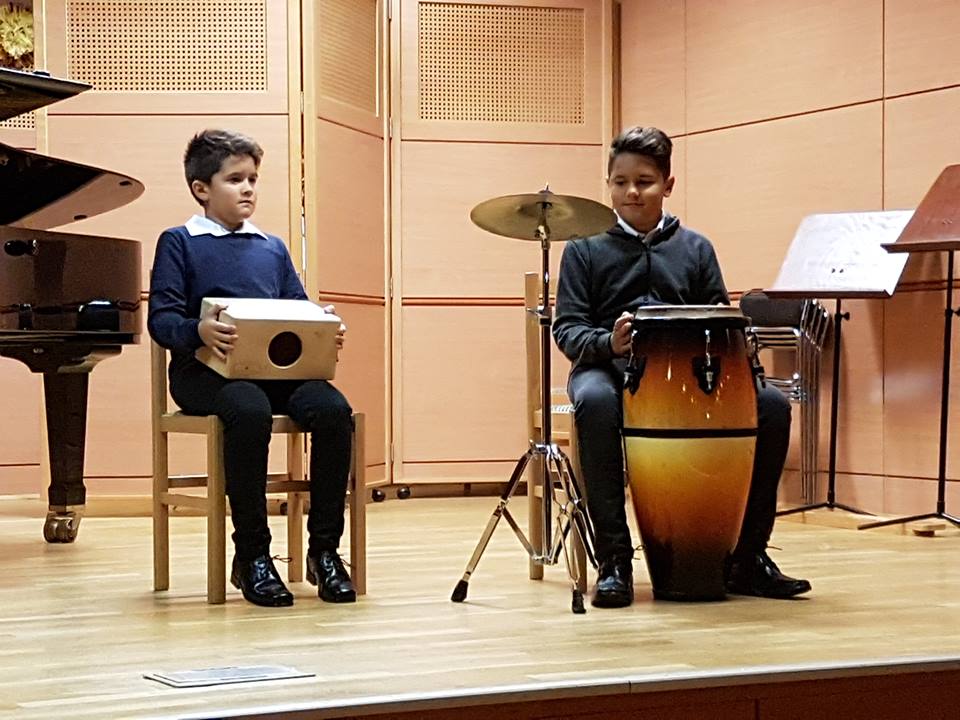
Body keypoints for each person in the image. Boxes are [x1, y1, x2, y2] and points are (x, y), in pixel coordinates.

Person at [553, 126, 811, 608]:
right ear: (608, 184)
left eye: (644, 181)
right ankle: (614, 561)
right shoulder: (583, 248)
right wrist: (608, 342)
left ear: (668, 185)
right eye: (620, 182)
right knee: (594, 402)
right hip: (610, 368)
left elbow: (719, 320)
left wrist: (745, 366)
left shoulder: (696, 248)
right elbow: (568, 329)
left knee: (772, 407)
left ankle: (747, 558)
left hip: (687, 376)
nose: (631, 192)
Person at [148, 129, 356, 608]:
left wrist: (323, 327)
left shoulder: (271, 247)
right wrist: (198, 331)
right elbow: (162, 320)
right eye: (235, 179)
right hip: (203, 375)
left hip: (274, 374)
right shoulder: (180, 242)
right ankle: (252, 555)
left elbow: (298, 312)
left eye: (253, 179)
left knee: (332, 411)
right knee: (247, 409)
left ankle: (324, 551)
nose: (248, 189)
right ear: (201, 188)